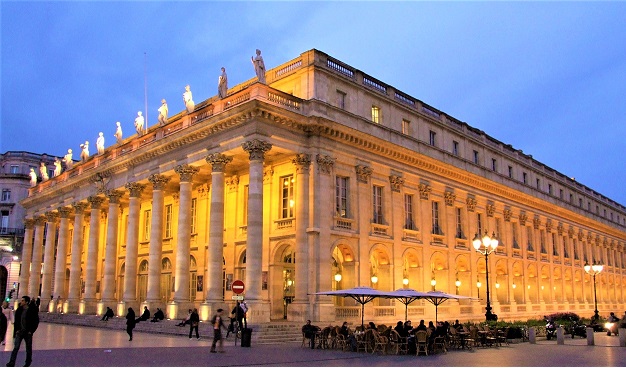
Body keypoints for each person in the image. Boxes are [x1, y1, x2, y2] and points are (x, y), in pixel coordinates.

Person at [7, 296, 39, 367]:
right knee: (16, 347)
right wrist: (16, 331)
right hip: (20, 332)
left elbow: (36, 321)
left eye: (22, 301)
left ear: (26, 302)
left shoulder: (31, 310)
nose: (21, 302)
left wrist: (31, 331)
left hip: (27, 332)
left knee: (28, 348)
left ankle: (28, 362)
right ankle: (12, 362)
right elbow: (17, 321)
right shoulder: (19, 310)